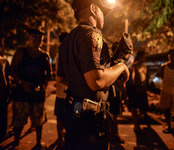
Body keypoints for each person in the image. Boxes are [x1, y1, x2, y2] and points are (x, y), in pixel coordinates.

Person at [57, 0, 130, 149]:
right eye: (102, 12)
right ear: (93, 8)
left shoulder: (67, 40)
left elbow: (62, 80)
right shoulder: (92, 34)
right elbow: (96, 81)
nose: (103, 16)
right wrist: (121, 67)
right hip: (91, 123)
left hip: (73, 118)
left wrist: (110, 67)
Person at [10, 29, 52, 149]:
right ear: (29, 38)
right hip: (21, 93)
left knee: (39, 120)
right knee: (19, 120)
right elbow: (12, 70)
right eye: (34, 37)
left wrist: (43, 85)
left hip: (38, 94)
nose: (37, 40)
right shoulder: (20, 52)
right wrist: (21, 83)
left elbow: (49, 74)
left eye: (40, 38)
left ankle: (39, 142)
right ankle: (16, 142)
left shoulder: (44, 55)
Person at [54, 32, 68, 148]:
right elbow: (61, 77)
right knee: (61, 117)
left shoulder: (63, 53)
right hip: (63, 92)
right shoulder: (62, 54)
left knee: (63, 117)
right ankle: (60, 139)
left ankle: (61, 138)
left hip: (63, 92)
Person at [129, 51, 148, 133]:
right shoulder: (134, 66)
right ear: (140, 57)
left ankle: (139, 124)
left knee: (142, 108)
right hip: (135, 89)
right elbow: (133, 78)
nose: (144, 58)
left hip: (142, 89)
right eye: (143, 56)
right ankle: (136, 125)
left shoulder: (144, 66)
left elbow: (145, 77)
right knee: (134, 107)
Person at [0, 53, 10, 144]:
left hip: (2, 96)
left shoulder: (4, 61)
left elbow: (6, 79)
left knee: (2, 121)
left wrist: (8, 93)